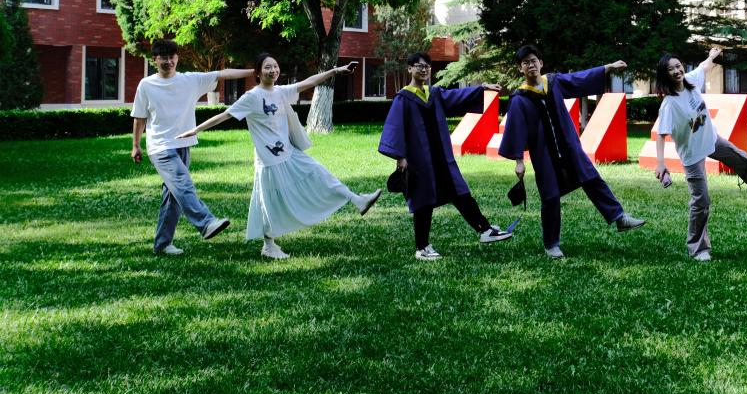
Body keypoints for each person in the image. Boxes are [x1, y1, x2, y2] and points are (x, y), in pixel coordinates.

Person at [177, 54, 382, 260]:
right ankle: (268, 245)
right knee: (269, 202)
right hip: (268, 161)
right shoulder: (252, 97)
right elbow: (225, 115)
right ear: (258, 72)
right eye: (268, 67)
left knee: (321, 174)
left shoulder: (280, 91)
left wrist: (335, 71)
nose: (273, 70)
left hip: (290, 153)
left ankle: (358, 200)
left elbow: (309, 82)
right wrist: (195, 130)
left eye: (275, 66)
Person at [499, 45, 646, 259]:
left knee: (591, 178)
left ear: (541, 63)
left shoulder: (554, 82)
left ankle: (619, 217)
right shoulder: (519, 98)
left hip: (569, 147)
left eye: (534, 61)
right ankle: (551, 244)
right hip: (544, 154)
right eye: (525, 62)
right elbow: (516, 130)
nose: (531, 65)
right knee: (550, 196)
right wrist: (519, 161)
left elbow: (580, 79)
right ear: (520, 68)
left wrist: (608, 67)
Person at [654, 48, 747, 262]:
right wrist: (661, 163)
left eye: (678, 66)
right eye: (671, 69)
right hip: (692, 155)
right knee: (701, 201)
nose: (677, 71)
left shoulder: (691, 81)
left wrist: (711, 56)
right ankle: (698, 249)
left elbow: (703, 67)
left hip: (711, 139)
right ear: (665, 75)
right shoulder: (669, 104)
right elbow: (661, 135)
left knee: (742, 159)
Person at [379, 52, 513, 261]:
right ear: (410, 69)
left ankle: (485, 230)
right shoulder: (403, 98)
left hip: (441, 157)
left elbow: (457, 96)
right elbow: (395, 127)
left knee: (460, 192)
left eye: (427, 66)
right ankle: (422, 247)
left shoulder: (434, 94)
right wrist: (400, 156)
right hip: (419, 160)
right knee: (423, 201)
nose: (424, 69)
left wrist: (482, 88)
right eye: (419, 66)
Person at [131, 39, 253, 255]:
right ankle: (206, 223)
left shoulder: (190, 80)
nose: (168, 62)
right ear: (154, 60)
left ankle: (162, 244)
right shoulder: (146, 85)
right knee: (183, 184)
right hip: (160, 146)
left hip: (183, 144)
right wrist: (136, 145)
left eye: (172, 57)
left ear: (177, 58)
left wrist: (256, 71)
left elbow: (223, 74)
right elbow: (139, 117)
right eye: (163, 58)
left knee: (173, 195)